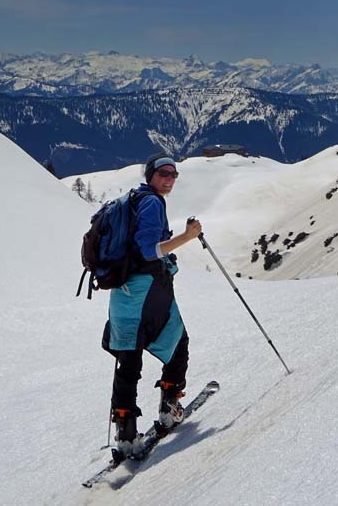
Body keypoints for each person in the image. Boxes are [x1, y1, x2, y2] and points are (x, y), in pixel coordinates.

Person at [101, 152, 202, 456]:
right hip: (147, 288)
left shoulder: (131, 200)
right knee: (176, 339)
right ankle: (170, 409)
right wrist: (188, 236)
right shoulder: (152, 202)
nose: (169, 179)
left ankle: (126, 432)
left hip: (121, 291)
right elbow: (149, 250)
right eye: (163, 174)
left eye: (173, 175)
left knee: (128, 354)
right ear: (150, 176)